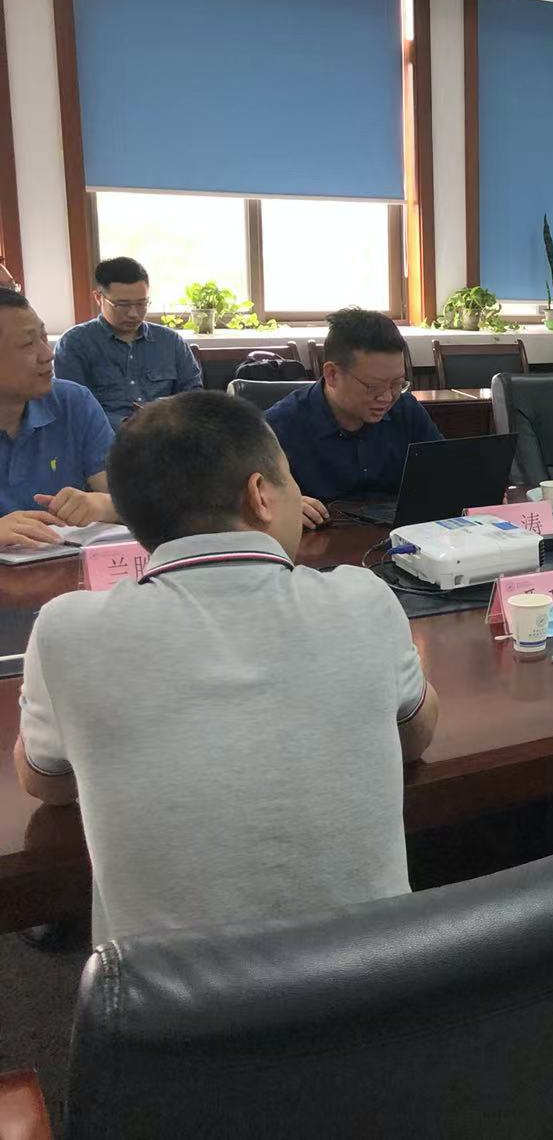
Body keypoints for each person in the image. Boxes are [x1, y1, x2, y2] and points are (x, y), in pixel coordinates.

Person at [12, 390, 439, 943]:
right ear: (260, 495)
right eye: (290, 479)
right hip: (370, 973)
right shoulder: (362, 598)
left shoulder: (67, 629)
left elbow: (44, 783)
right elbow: (414, 736)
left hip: (169, 993)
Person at [266, 307, 441, 527]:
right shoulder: (279, 426)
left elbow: (443, 472)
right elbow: (247, 500)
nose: (387, 397)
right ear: (332, 374)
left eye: (397, 384)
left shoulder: (406, 410)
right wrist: (281, 504)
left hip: (399, 538)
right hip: (320, 542)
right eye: (374, 387)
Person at [0, 289, 119, 547]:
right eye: (28, 344)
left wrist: (103, 505)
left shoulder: (71, 402)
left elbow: (138, 502)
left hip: (64, 563)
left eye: (43, 337)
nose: (47, 354)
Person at [53, 256, 202, 432]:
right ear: (98, 298)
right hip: (103, 437)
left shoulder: (170, 341)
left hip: (167, 434)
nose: (133, 314)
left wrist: (164, 409)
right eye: (122, 305)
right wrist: (127, 424)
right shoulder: (74, 343)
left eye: (141, 304)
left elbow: (195, 396)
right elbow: (71, 406)